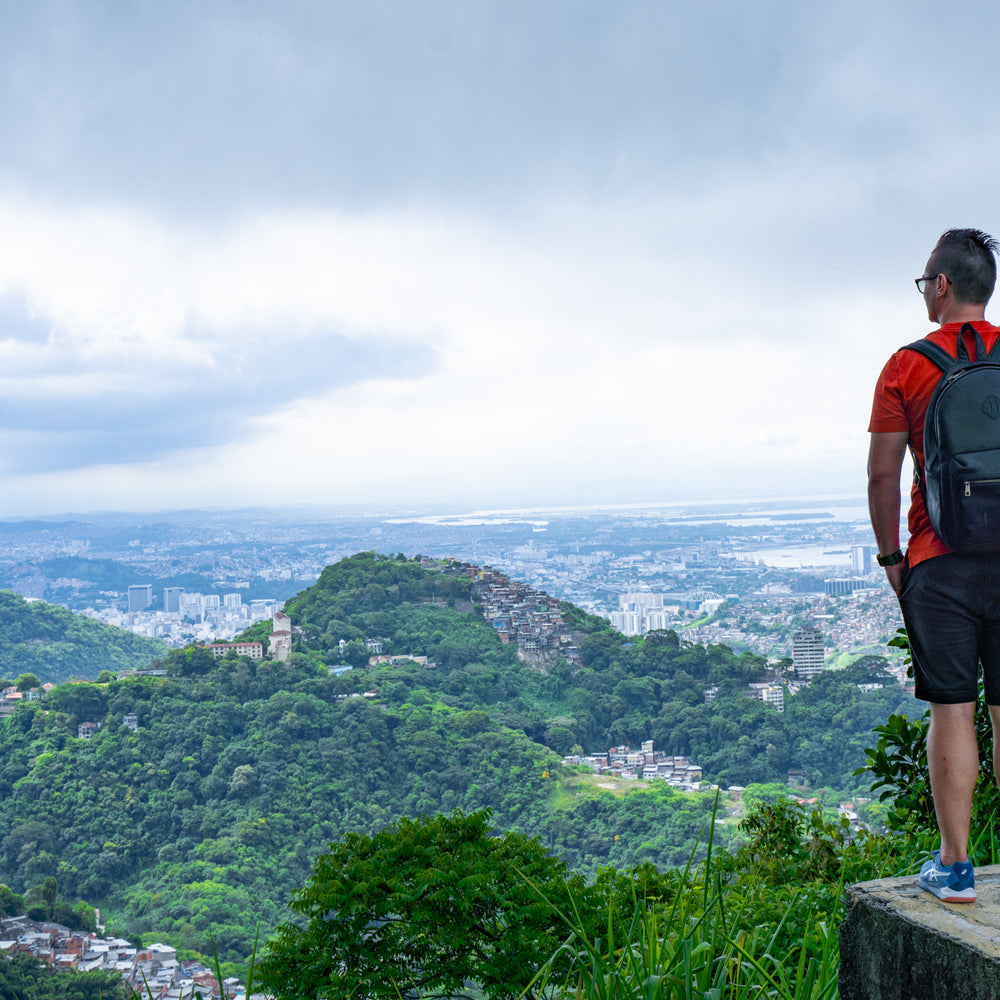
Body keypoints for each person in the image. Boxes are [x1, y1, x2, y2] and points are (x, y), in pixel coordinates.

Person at [868, 227, 1000, 904]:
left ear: (942, 286)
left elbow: (883, 475)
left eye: (926, 282)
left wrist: (893, 556)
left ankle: (954, 868)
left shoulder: (906, 365)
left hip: (939, 559)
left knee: (952, 713)